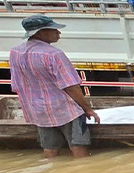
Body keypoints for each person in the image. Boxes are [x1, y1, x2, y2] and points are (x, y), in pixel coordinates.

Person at [9, 14, 99, 159]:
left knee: (50, 150)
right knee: (78, 147)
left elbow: (17, 84)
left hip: (38, 111)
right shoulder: (54, 54)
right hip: (65, 109)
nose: (58, 33)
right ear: (41, 32)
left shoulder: (15, 52)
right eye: (54, 30)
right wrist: (87, 109)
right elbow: (71, 86)